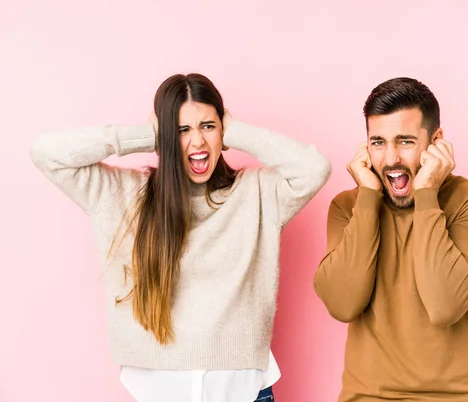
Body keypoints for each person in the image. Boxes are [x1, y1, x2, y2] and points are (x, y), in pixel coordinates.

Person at [29, 73, 331, 402]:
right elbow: (46, 152)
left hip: (244, 393)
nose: (198, 142)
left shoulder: (258, 194)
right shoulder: (124, 194)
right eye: (182, 130)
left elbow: (314, 169)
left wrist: (238, 131)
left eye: (208, 126)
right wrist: (148, 135)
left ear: (223, 131)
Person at [313, 77, 468, 401]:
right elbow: (342, 304)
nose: (390, 160)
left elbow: (445, 305)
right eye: (377, 142)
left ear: (436, 140)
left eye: (405, 141)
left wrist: (427, 191)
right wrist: (369, 197)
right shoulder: (349, 206)